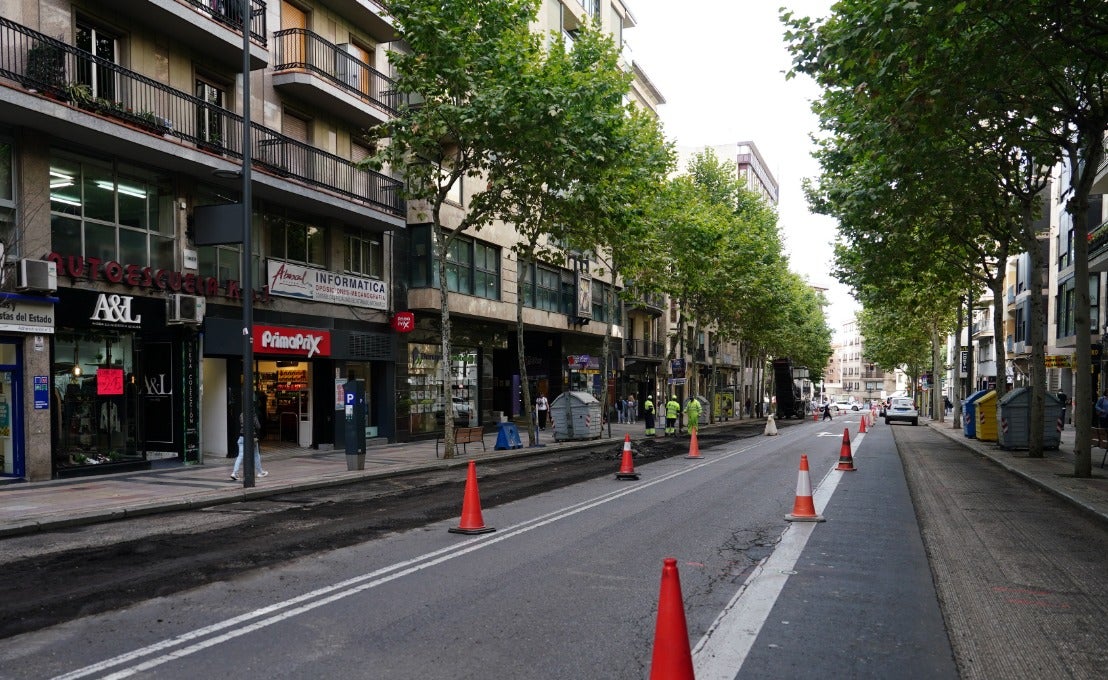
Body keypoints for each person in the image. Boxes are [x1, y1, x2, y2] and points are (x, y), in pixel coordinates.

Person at [231, 411, 267, 481]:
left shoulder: (241, 414)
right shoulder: (252, 414)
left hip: (241, 437)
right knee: (256, 454)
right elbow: (258, 426)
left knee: (240, 455)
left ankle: (234, 473)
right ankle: (260, 472)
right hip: (251, 438)